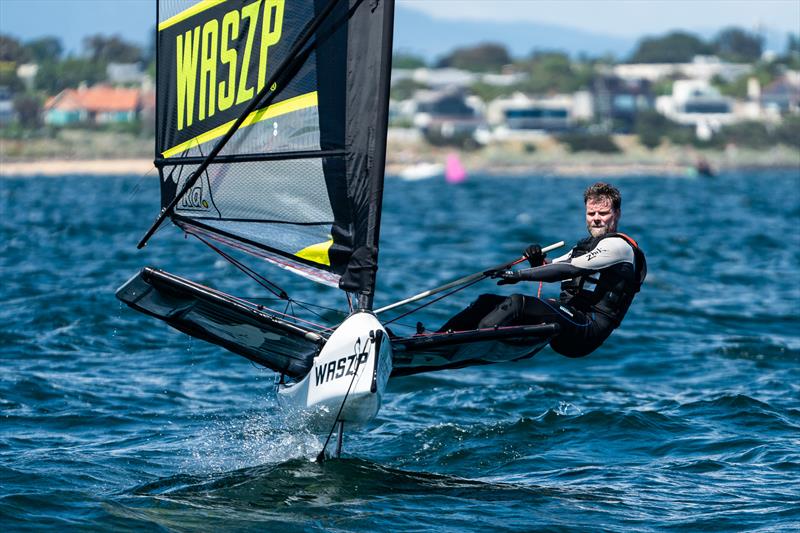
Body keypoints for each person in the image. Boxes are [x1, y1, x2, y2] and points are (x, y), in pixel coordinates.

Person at [438, 182, 646, 358]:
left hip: (587, 330)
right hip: (567, 318)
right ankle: (434, 340)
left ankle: (468, 347)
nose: (596, 218)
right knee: (487, 301)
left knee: (517, 303)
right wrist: (538, 261)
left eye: (604, 213)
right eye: (591, 213)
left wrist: (518, 275)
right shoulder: (585, 246)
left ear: (617, 213)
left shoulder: (619, 247)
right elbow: (552, 268)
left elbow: (568, 270)